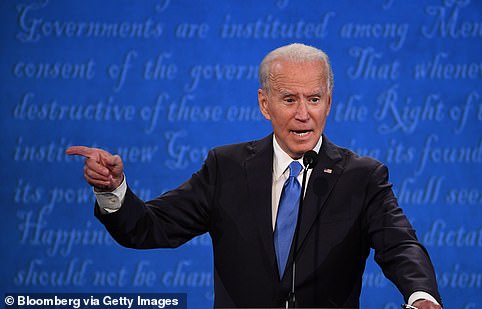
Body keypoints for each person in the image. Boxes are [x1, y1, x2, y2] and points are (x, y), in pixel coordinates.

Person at [67, 43, 442, 308]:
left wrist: (421, 295)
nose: (303, 114)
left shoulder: (362, 177)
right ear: (265, 104)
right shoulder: (226, 169)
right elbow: (149, 227)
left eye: (313, 99)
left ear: (329, 102)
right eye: (289, 99)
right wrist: (114, 189)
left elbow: (400, 245)